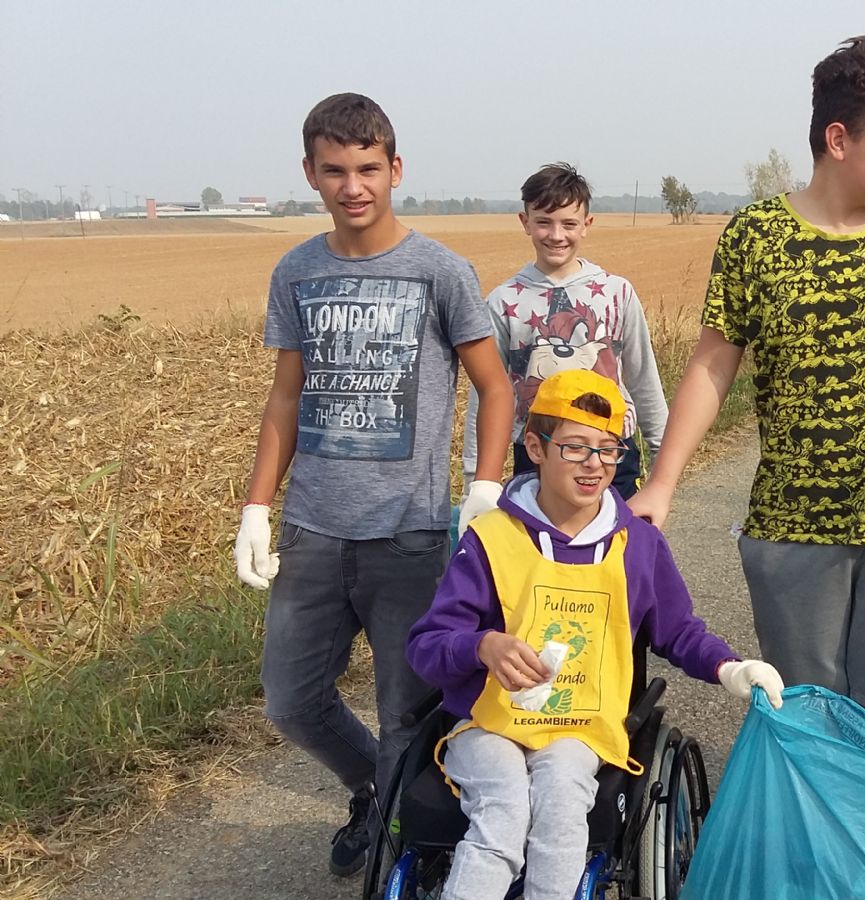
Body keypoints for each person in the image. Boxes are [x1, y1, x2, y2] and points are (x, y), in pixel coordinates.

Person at [629, 35, 865, 752]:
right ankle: (815, 832)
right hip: (794, 522)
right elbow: (712, 366)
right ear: (838, 139)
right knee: (806, 715)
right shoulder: (756, 238)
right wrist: (663, 484)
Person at [231, 92, 515, 877]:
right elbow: (285, 397)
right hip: (314, 530)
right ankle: (370, 790)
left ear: (395, 169)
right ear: (310, 174)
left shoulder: (440, 271)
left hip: (409, 535)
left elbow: (494, 386)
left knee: (406, 713)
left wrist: (485, 486)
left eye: (367, 168)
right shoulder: (297, 270)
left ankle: (399, 847)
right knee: (291, 701)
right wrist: (256, 505)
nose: (352, 186)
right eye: (335, 170)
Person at [408, 369, 784, 900]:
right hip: (489, 723)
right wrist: (482, 645)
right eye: (576, 448)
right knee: (503, 814)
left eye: (608, 450)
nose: (595, 465)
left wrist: (731, 667)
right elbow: (427, 645)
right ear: (535, 448)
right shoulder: (490, 539)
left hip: (580, 727)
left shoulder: (637, 544)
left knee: (563, 808)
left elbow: (677, 630)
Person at [462, 163, 668, 499]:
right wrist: (478, 484)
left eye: (569, 224)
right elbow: (485, 394)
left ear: (587, 225)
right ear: (525, 222)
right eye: (543, 222)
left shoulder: (617, 293)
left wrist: (662, 466)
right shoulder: (503, 301)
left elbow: (644, 379)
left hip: (611, 451)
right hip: (536, 454)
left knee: (617, 535)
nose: (556, 235)